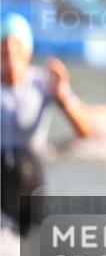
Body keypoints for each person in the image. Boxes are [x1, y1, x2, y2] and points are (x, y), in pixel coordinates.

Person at [1, 13, 93, 235]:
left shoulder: (43, 83)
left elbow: (85, 129)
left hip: (30, 177)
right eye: (4, 45)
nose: (10, 51)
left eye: (17, 45)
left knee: (33, 248)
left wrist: (62, 96)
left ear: (28, 51)